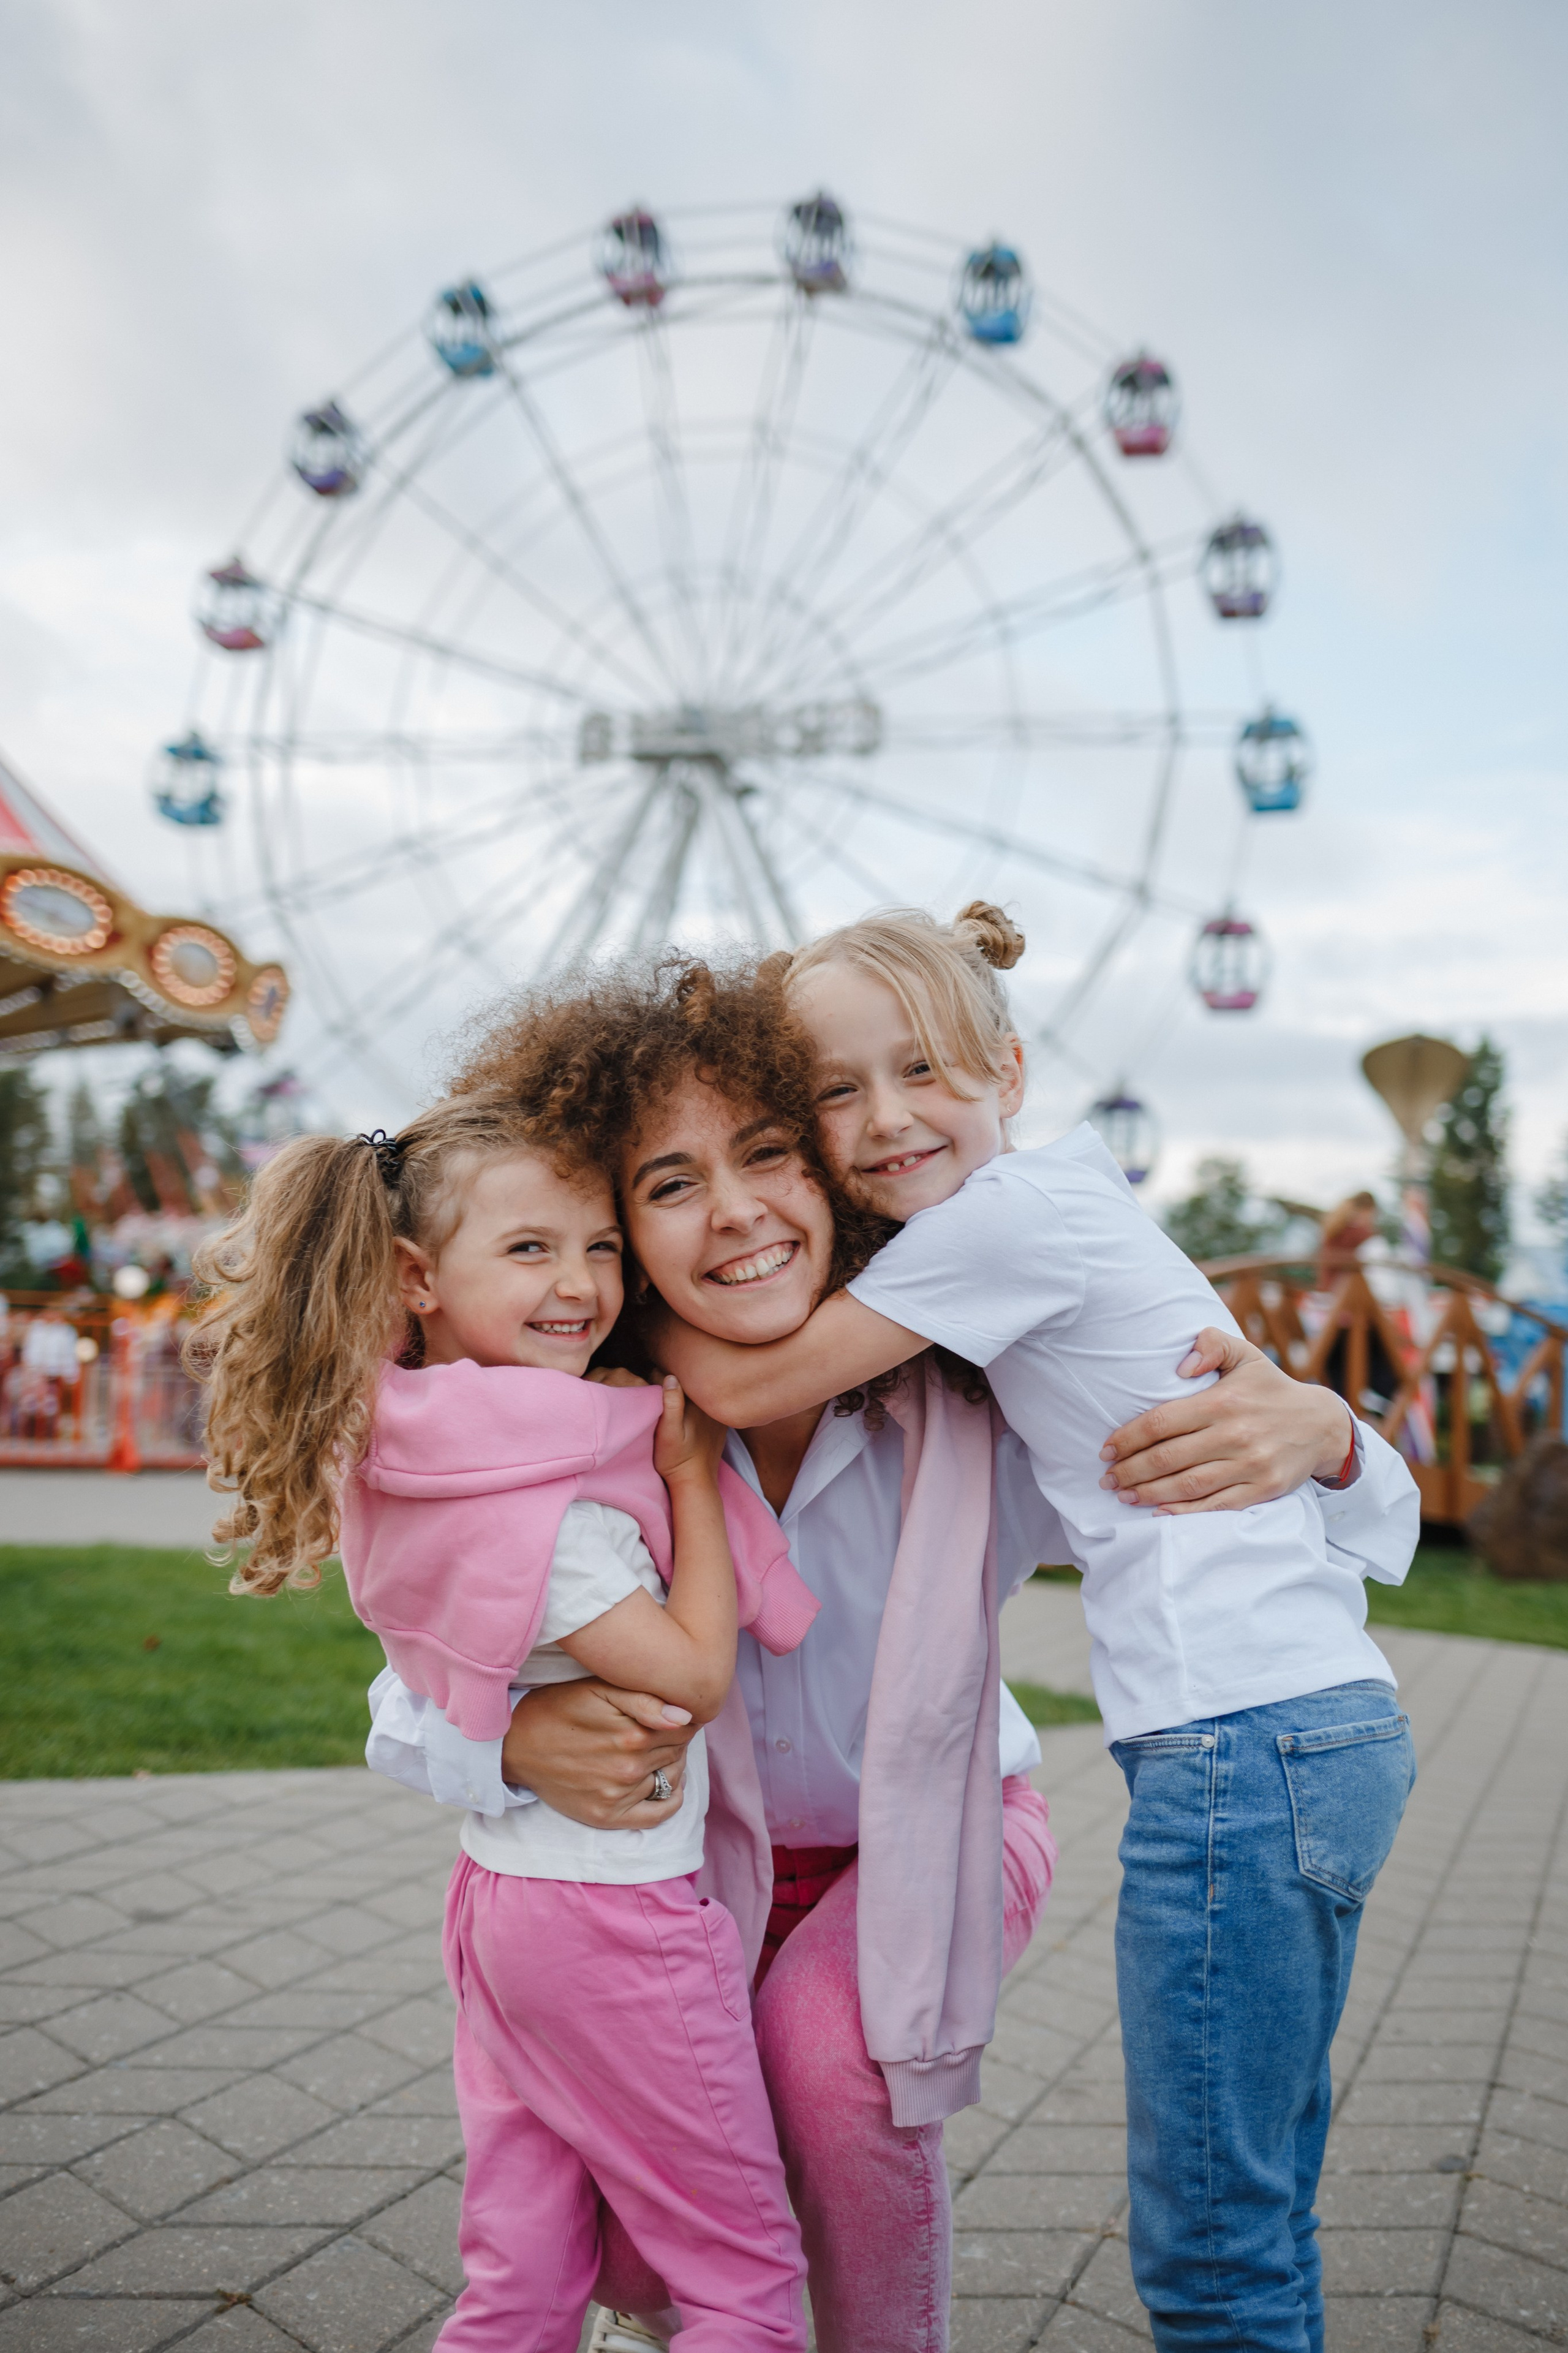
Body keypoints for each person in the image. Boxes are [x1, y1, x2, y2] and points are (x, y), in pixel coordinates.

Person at [370, 954, 1408, 2353]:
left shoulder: (966, 1387)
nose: (735, 1212)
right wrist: (497, 1743)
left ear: (837, 1180)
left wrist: (1331, 1439)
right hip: (690, 1859)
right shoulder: (598, 1434)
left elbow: (1195, 1441)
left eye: (768, 1156)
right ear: (613, 1227)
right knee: (641, 2199)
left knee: (829, 2054)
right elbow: (414, 1666)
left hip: (936, 1830)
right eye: (669, 1186)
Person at [654, 907, 1422, 2353]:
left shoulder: (997, 1246)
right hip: (1303, 1731)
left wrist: (1326, 1430)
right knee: (1257, 2194)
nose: (882, 1120)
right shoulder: (1018, 1277)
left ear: (1007, 1068)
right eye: (832, 1092)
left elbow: (760, 1384)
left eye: (923, 1071)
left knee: (1211, 2241)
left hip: (1235, 1747)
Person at [188, 1090, 811, 2353]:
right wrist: (689, 1477)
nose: (579, 1281)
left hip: (502, 1908)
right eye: (529, 1248)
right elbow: (691, 1673)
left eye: (596, 1247)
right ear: (416, 1275)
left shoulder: (429, 1447)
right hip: (618, 1914)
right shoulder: (561, 1512)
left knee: (522, 2269)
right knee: (742, 2274)